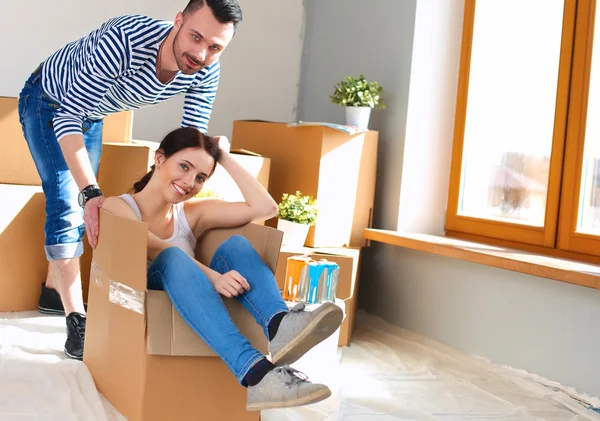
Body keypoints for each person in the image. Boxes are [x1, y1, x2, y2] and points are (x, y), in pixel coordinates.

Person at [17, 0, 241, 359]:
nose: (200, 54)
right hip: (51, 102)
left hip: (93, 111)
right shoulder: (125, 39)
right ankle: (77, 322)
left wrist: (191, 179)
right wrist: (91, 194)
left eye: (215, 47)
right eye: (195, 37)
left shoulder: (205, 69)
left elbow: (191, 140)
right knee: (70, 204)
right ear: (178, 21)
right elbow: (68, 117)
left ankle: (52, 293)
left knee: (80, 203)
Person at [101, 127, 343, 410]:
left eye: (201, 177)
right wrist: (214, 276)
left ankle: (278, 324)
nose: (189, 181)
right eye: (184, 166)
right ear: (159, 158)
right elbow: (155, 247)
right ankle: (255, 372)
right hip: (151, 293)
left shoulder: (192, 212)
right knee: (174, 258)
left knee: (237, 246)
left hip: (198, 301)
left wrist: (223, 156)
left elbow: (266, 208)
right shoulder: (117, 206)